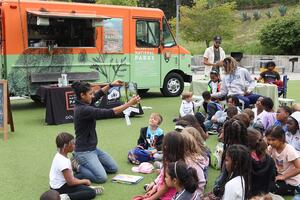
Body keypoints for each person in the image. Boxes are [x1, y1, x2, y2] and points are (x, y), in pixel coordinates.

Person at [71, 81, 140, 183]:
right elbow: (109, 112)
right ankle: (77, 166)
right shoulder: (83, 110)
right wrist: (129, 103)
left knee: (113, 168)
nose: (92, 96)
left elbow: (98, 94)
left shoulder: (84, 101)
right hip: (83, 151)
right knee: (101, 178)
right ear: (82, 95)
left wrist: (111, 85)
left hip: (93, 149)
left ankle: (91, 164)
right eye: (90, 94)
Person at [49, 132, 103, 200]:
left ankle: (83, 189)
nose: (75, 145)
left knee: (82, 175)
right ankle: (64, 197)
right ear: (66, 146)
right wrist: (84, 181)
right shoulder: (63, 162)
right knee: (91, 192)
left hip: (59, 183)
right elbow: (70, 182)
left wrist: (81, 180)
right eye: (73, 143)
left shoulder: (59, 154)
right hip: (60, 188)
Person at [138, 131, 185, 200]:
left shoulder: (172, 165)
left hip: (168, 196)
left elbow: (165, 188)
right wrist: (155, 187)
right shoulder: (178, 159)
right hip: (163, 190)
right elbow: (162, 177)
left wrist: (150, 198)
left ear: (166, 146)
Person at [266, 126, 300, 195]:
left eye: (273, 140)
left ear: (281, 139)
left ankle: (295, 189)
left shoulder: (289, 150)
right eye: (268, 140)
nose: (270, 142)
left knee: (270, 190)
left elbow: (298, 168)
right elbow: (265, 159)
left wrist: (284, 176)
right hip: (279, 178)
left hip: (290, 182)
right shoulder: (271, 148)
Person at [247, 128, 276, 197]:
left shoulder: (245, 160)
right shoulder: (270, 160)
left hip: (248, 196)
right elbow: (273, 178)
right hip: (264, 195)